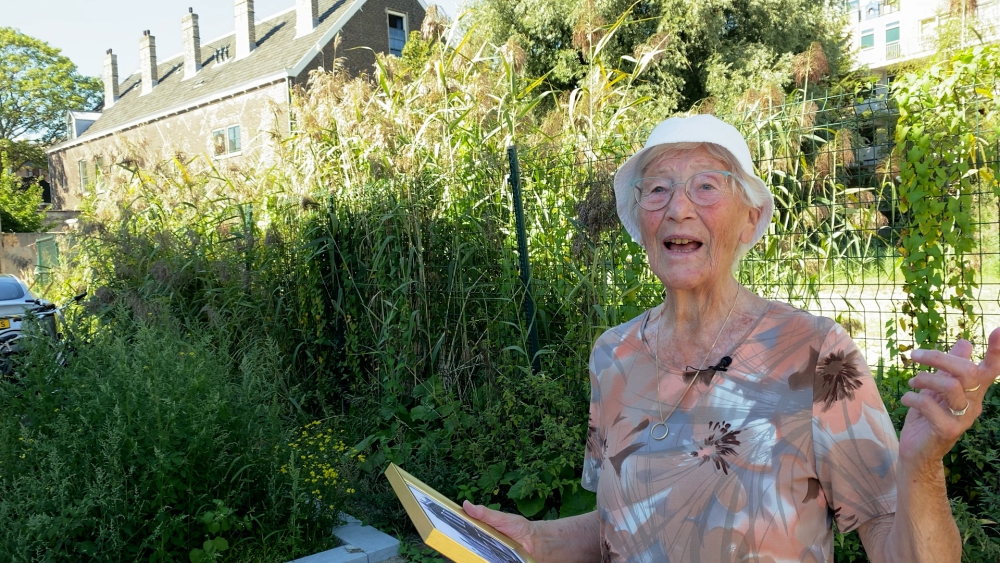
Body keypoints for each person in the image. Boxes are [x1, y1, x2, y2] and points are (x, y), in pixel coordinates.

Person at [464, 114, 1000, 562]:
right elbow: (621, 523)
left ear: (749, 220)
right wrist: (536, 538)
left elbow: (896, 543)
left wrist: (923, 467)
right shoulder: (613, 355)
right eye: (657, 189)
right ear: (641, 222)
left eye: (706, 184)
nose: (678, 207)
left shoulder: (815, 353)